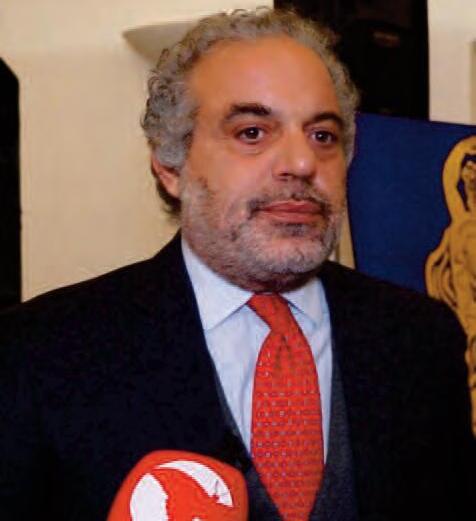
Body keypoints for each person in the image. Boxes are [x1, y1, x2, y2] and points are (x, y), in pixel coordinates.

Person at [0, 8, 474, 521]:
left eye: (323, 136)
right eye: (252, 132)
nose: (302, 163)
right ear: (171, 165)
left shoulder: (419, 339)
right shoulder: (40, 355)